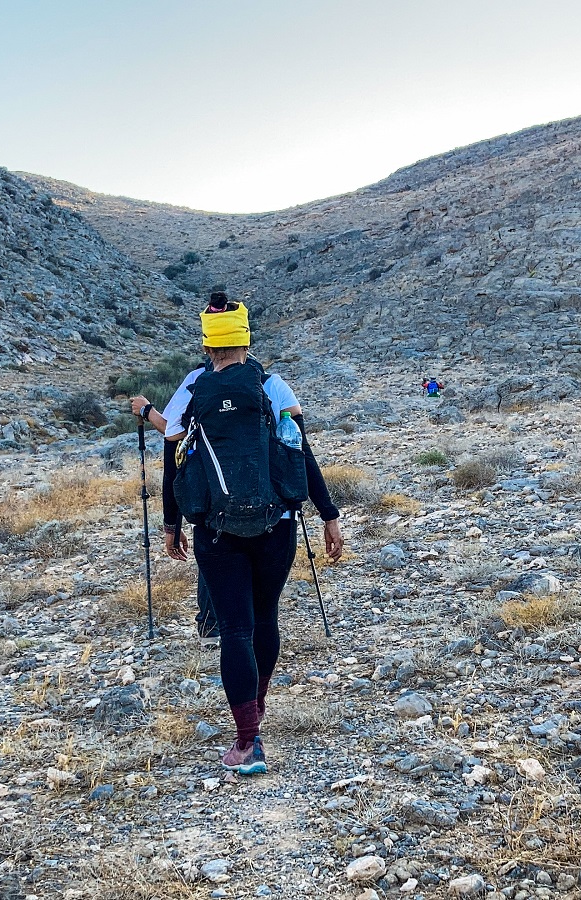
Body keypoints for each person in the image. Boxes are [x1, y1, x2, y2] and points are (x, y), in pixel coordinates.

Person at [155, 290, 344, 776]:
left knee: (233, 629)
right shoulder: (274, 386)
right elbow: (301, 454)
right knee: (265, 619)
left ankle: (247, 740)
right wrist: (328, 514)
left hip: (215, 530)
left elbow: (174, 458)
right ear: (245, 336)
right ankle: (255, 710)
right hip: (276, 524)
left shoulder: (194, 388)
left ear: (206, 341)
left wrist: (172, 522)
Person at [131, 387, 219, 641]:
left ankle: (211, 628)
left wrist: (147, 411)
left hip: (209, 488)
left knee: (213, 550)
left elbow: (174, 433)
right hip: (258, 490)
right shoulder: (263, 378)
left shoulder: (197, 380)